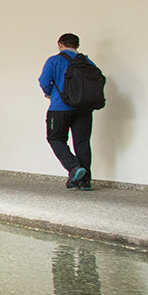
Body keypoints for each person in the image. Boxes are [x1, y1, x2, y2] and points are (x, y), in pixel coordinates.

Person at [39, 33, 95, 190]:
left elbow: (44, 82)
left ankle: (74, 168)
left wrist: (50, 94)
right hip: (84, 108)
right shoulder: (87, 61)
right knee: (82, 143)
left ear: (60, 44)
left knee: (55, 138)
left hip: (59, 108)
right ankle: (85, 182)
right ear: (77, 45)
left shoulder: (54, 60)